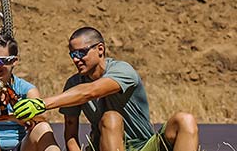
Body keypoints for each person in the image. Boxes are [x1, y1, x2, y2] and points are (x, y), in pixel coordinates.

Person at [13, 27, 199, 151]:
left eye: (81, 53)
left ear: (100, 49)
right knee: (111, 118)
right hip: (101, 146)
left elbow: (92, 91)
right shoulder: (72, 83)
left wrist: (42, 104)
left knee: (185, 119)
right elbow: (70, 134)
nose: (76, 59)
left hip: (144, 145)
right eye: (72, 55)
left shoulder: (122, 70)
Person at [0, 35, 59, 151]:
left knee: (43, 127)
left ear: (14, 61)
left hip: (21, 146)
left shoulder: (26, 89)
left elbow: (42, 116)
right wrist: (15, 116)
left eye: (1, 61)